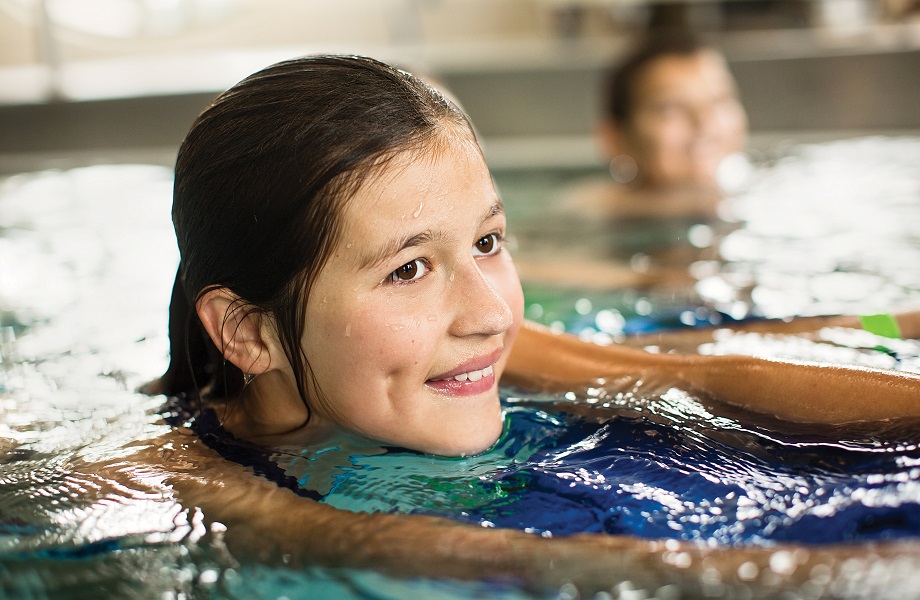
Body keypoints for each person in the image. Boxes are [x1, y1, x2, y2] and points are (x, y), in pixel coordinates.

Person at [141, 54, 920, 594]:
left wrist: (891, 322)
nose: (491, 315)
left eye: (488, 243)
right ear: (247, 333)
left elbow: (688, 371)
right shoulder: (177, 481)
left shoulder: (448, 348)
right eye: (408, 269)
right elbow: (433, 551)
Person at [564, 31, 749, 219]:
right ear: (614, 139)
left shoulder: (757, 189)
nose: (703, 121)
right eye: (671, 108)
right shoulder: (591, 209)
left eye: (719, 101)